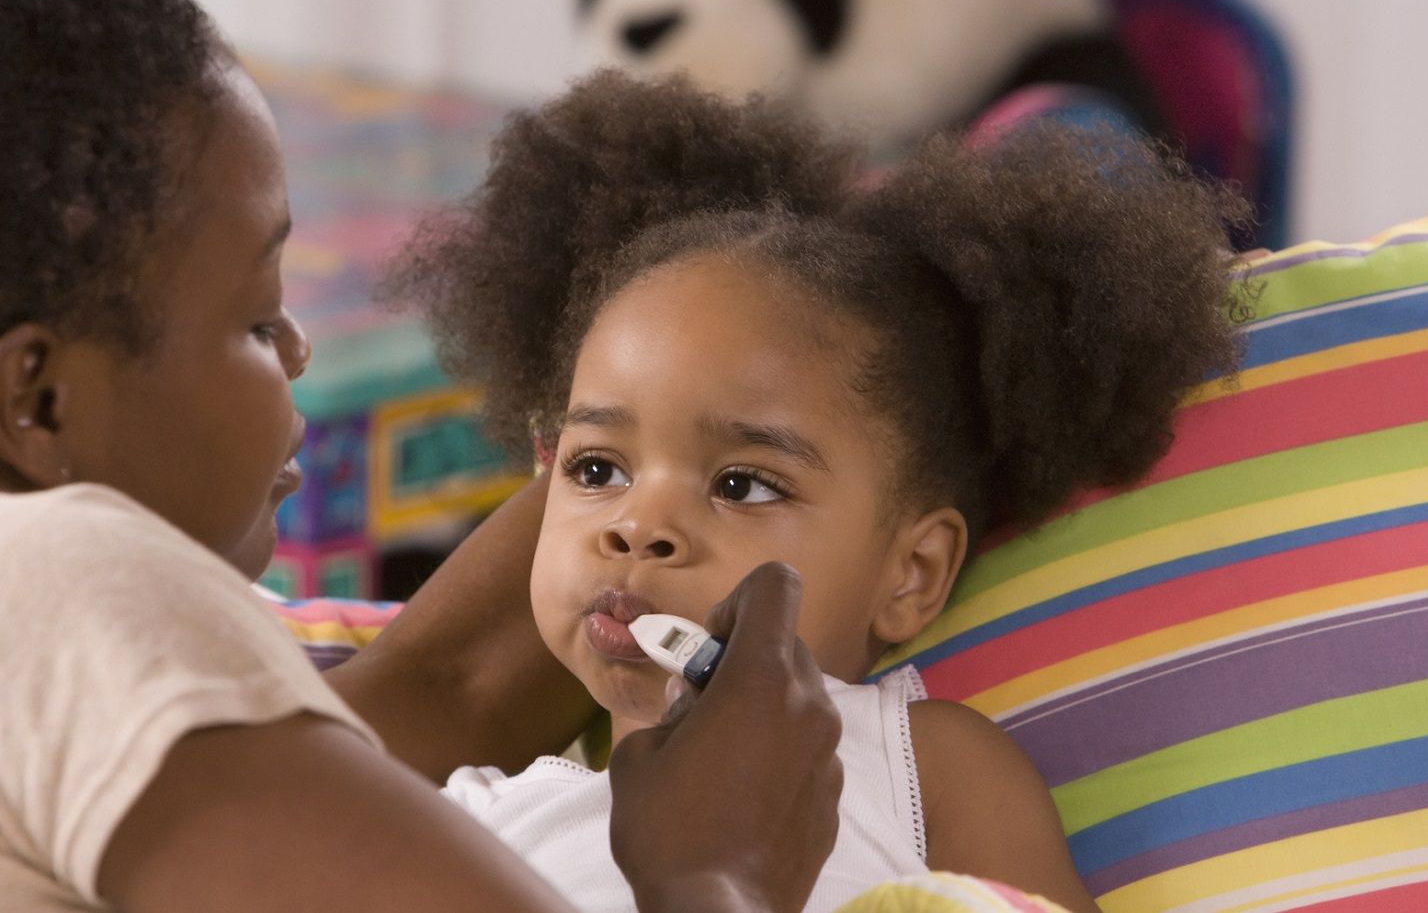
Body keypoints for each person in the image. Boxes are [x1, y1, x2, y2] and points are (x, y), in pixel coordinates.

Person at [0, 0, 849, 911]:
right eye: (254, 311)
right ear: (40, 400)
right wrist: (721, 862)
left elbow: (433, 701)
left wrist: (672, 439)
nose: (297, 344)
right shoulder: (11, 583)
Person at [389, 72, 1247, 913]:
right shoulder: (478, 815)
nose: (637, 526)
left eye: (741, 484)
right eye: (596, 469)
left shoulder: (919, 763)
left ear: (911, 572)